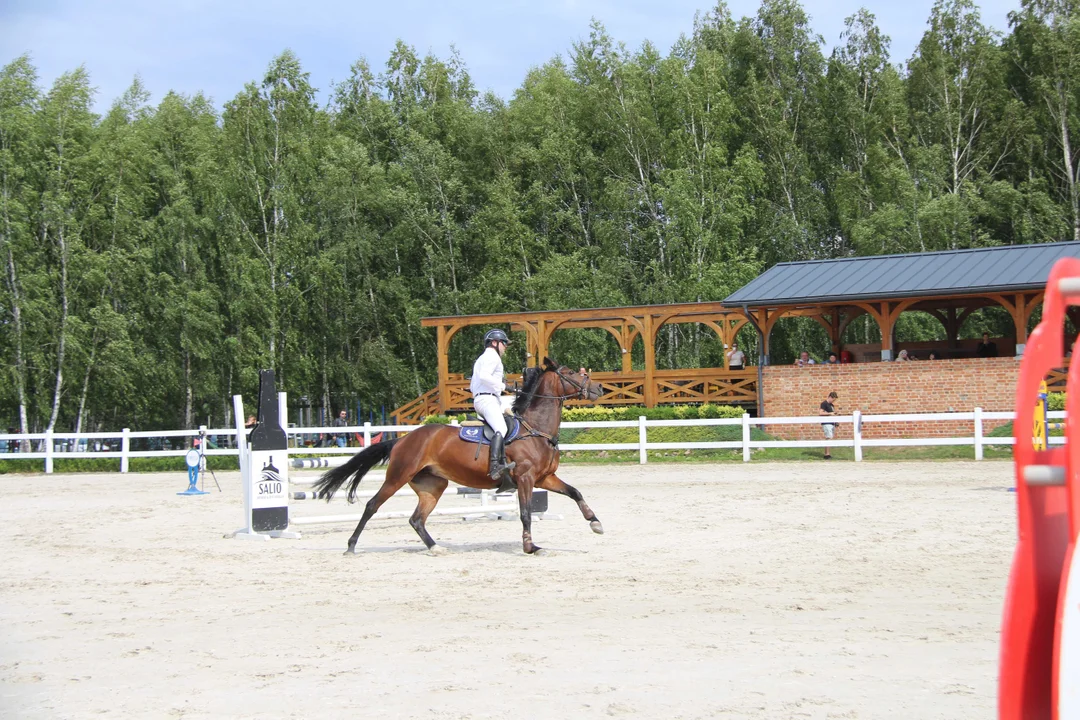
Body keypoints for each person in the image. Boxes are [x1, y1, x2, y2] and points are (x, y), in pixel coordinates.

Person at [470, 328, 516, 485]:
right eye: (504, 344)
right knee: (501, 429)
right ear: (495, 343)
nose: (505, 347)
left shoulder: (484, 358)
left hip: (488, 399)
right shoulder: (492, 356)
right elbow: (484, 377)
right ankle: (495, 466)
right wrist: (505, 387)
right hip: (487, 400)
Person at [819, 391, 839, 459]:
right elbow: (821, 413)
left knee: (830, 437)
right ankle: (826, 454)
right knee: (828, 437)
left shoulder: (832, 405)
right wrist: (830, 413)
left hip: (831, 423)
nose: (833, 401)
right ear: (830, 397)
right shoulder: (824, 404)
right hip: (826, 423)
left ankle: (828, 453)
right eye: (833, 399)